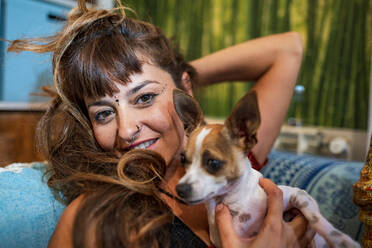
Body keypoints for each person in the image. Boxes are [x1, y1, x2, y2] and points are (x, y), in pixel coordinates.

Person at [8, 0, 308, 247]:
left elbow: (288, 48)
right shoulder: (96, 219)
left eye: (144, 98)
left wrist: (177, 75)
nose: (125, 130)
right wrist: (158, 82)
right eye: (103, 113)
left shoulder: (231, 158)